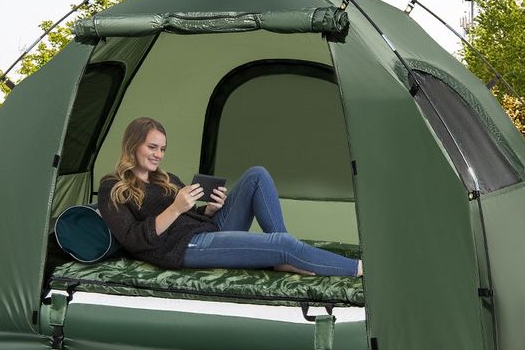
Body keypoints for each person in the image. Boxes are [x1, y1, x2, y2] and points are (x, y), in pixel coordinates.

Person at [98, 117, 363, 277]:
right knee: (282, 243)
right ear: (133, 146)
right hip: (182, 248)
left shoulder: (165, 178)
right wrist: (176, 209)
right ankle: (358, 270)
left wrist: (209, 210)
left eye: (163, 149)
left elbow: (189, 216)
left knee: (256, 175)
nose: (158, 154)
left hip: (205, 228)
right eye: (152, 147)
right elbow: (133, 241)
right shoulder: (113, 186)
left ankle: (282, 257)